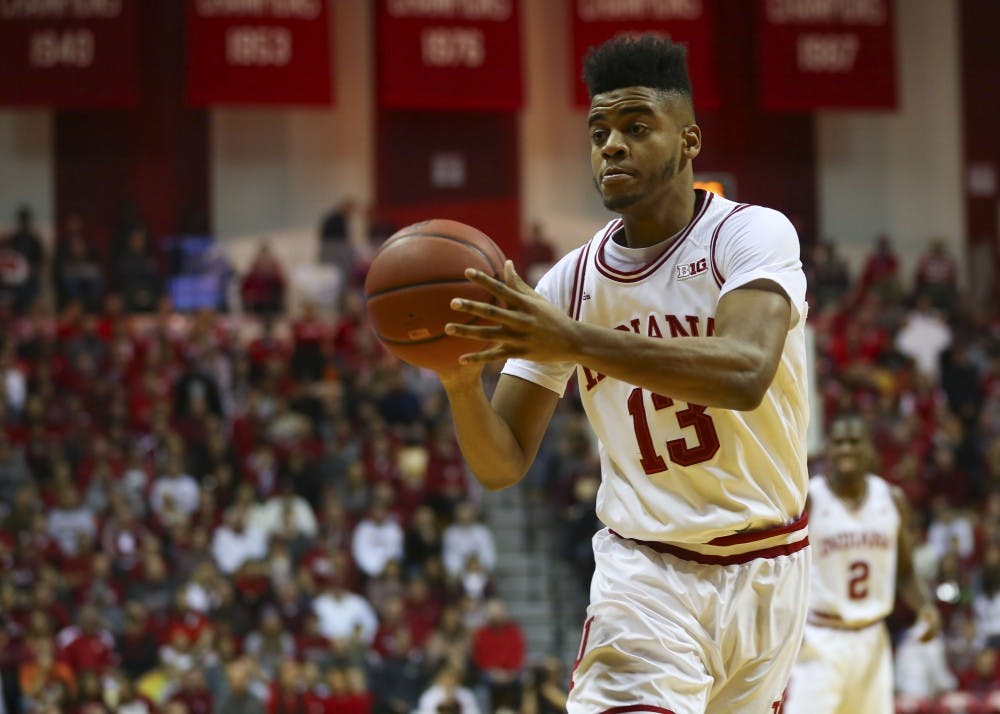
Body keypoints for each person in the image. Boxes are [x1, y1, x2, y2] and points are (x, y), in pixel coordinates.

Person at [436, 34, 811, 713]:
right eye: (599, 130)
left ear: (689, 140)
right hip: (646, 571)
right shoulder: (568, 283)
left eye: (636, 127)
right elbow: (501, 464)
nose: (611, 145)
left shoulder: (750, 236)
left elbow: (745, 371)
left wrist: (575, 340)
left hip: (771, 566)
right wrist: (460, 384)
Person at [783, 415, 941, 714]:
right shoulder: (810, 499)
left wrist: (925, 607)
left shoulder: (891, 499)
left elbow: (904, 571)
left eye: (854, 442)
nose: (846, 449)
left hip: (872, 637)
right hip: (821, 636)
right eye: (839, 442)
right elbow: (786, 570)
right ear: (827, 449)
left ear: (869, 449)